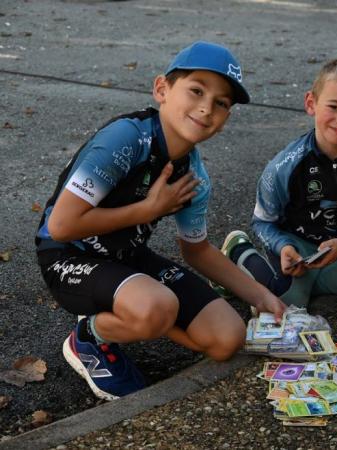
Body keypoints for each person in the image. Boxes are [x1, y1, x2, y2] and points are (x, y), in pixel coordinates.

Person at [35, 41, 286, 400]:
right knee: (158, 307)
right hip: (67, 256)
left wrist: (263, 297)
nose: (206, 108)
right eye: (196, 90)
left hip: (126, 258)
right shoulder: (126, 139)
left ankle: (141, 314)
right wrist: (147, 211)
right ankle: (90, 336)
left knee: (227, 339)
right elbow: (60, 226)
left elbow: (197, 249)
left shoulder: (194, 175)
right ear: (162, 90)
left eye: (221, 103)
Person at [212, 59, 337, 307]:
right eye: (334, 107)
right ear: (311, 103)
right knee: (286, 303)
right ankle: (238, 252)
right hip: (296, 248)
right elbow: (262, 223)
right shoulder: (283, 167)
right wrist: (284, 247)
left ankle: (304, 285)